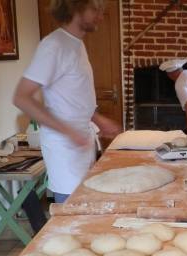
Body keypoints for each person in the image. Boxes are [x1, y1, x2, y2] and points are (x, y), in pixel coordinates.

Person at [13, 0, 121, 203]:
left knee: (85, 205)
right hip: (65, 148)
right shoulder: (54, 46)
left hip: (81, 142)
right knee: (72, 214)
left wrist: (97, 119)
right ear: (75, 8)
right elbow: (21, 97)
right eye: (95, 10)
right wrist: (68, 131)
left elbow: (73, 96)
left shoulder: (76, 44)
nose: (100, 16)